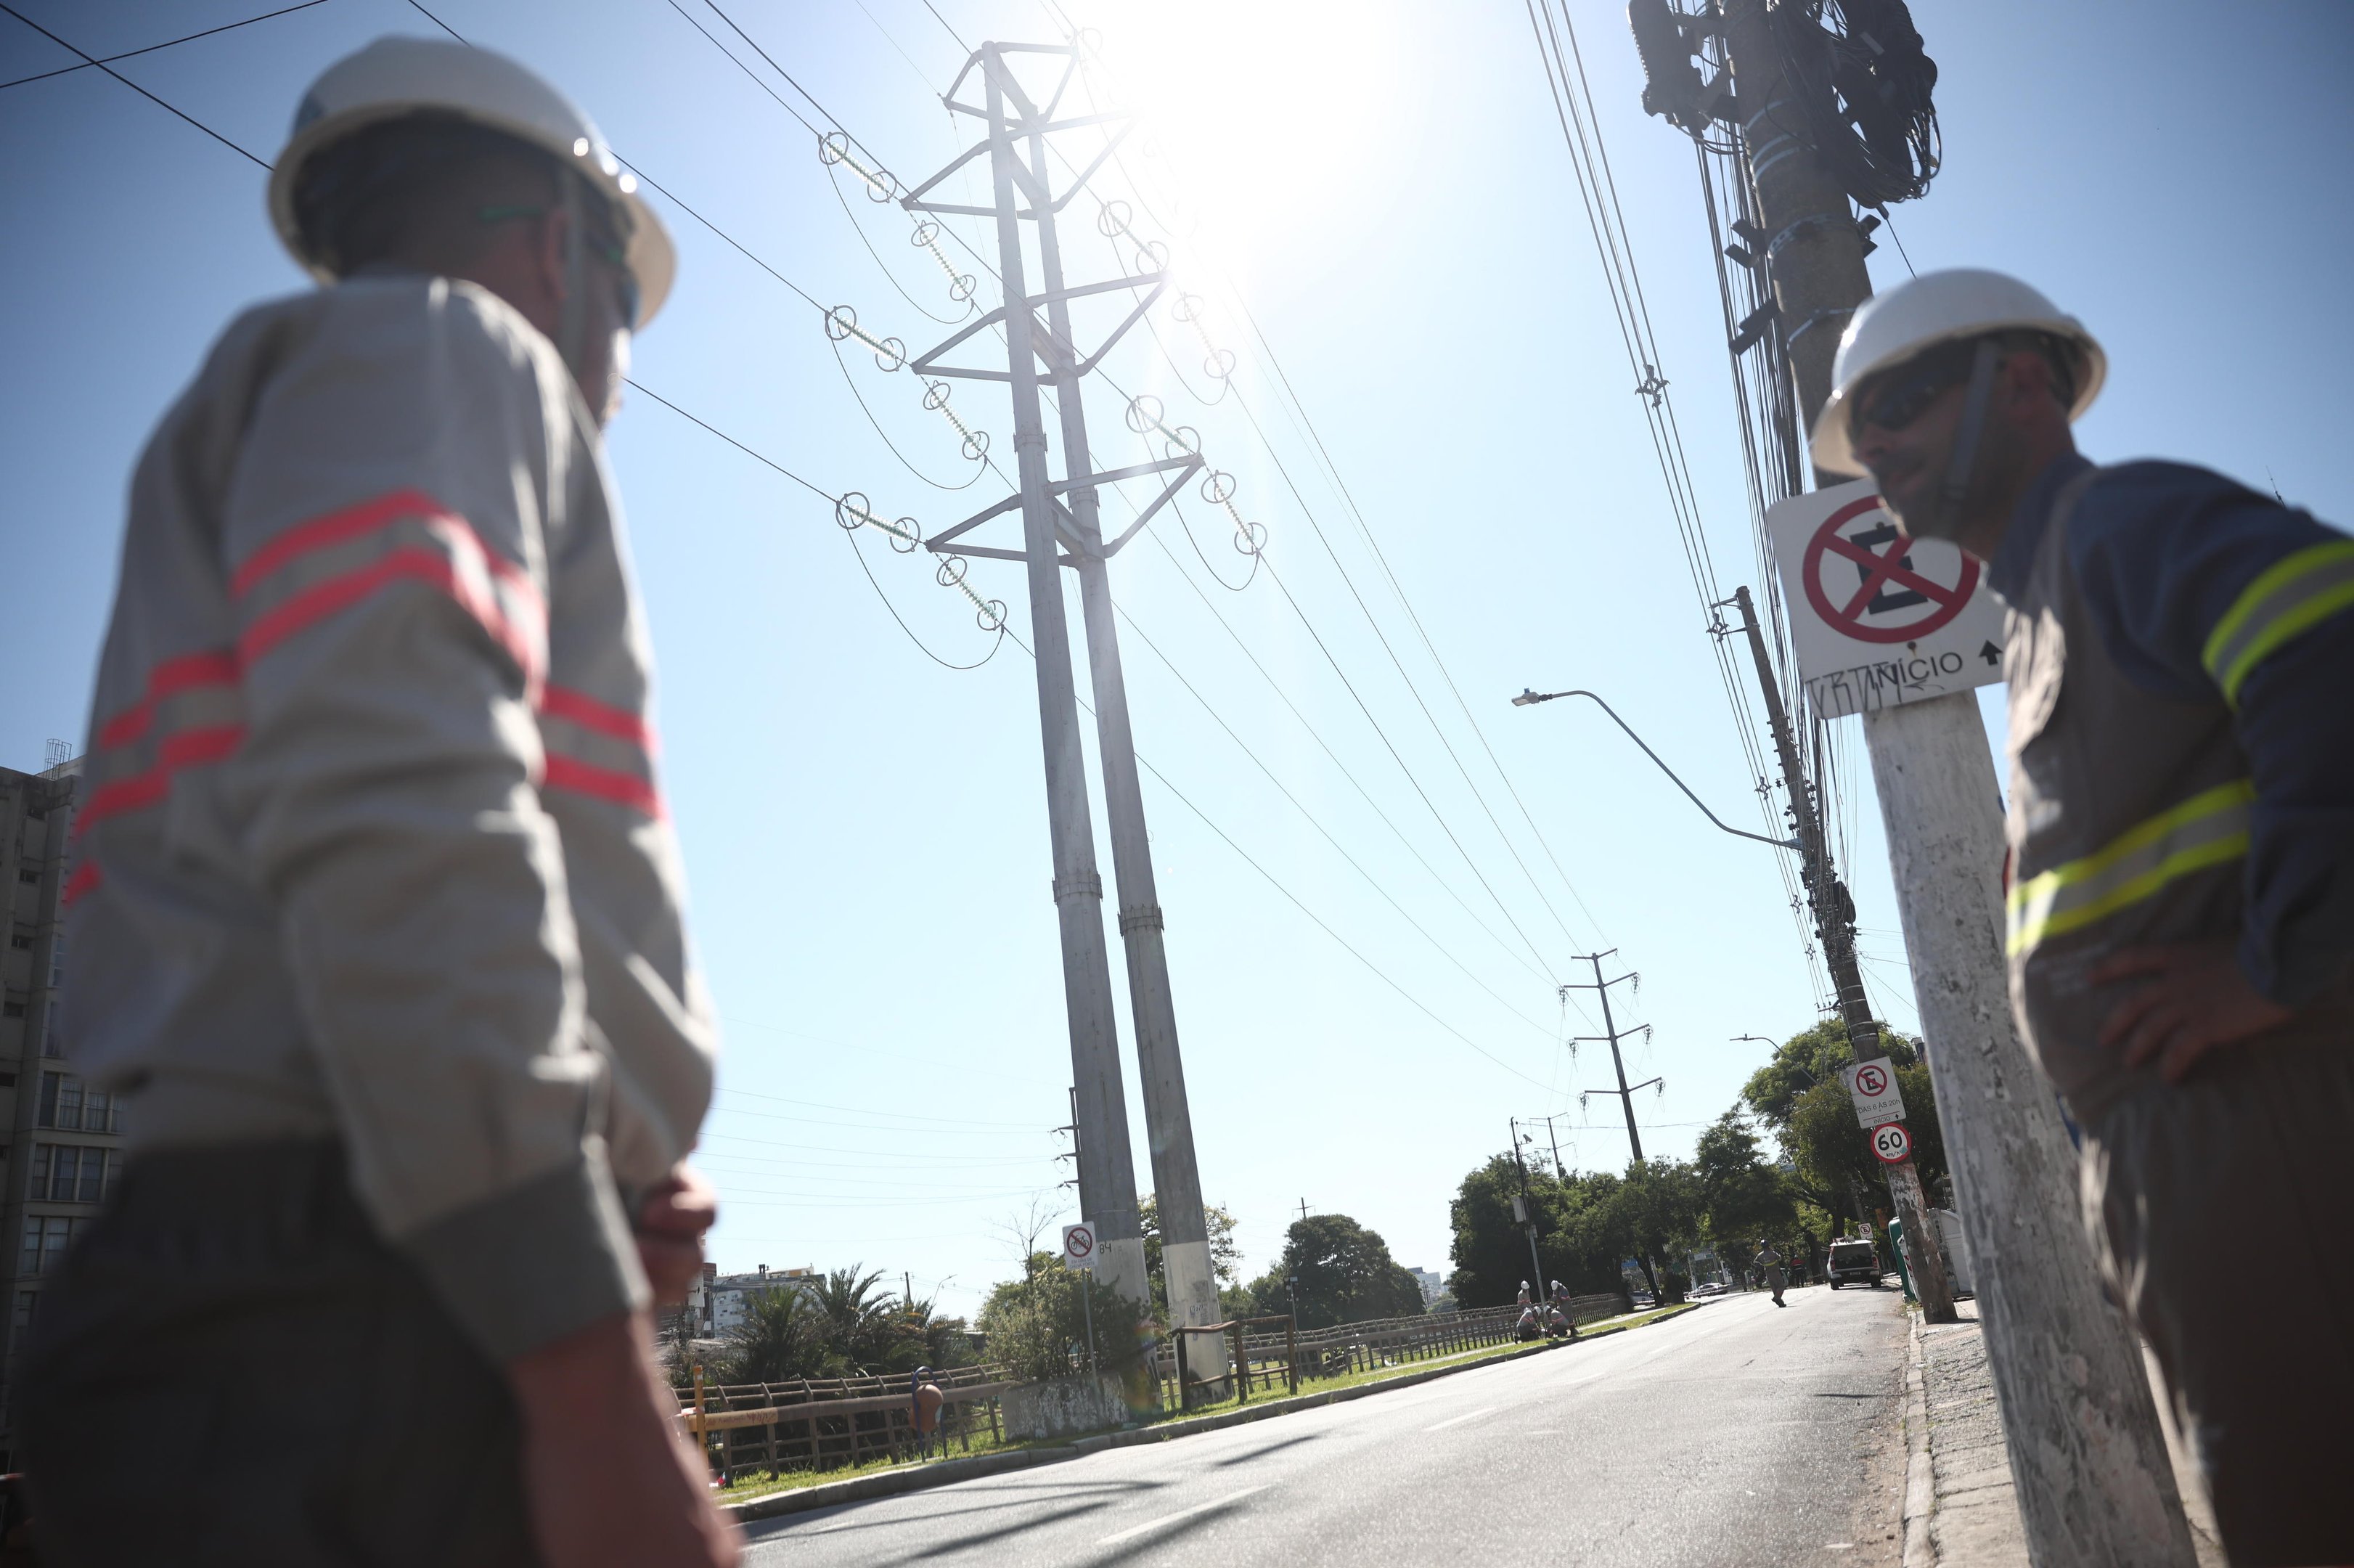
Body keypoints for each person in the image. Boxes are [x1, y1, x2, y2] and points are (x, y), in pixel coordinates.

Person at [20, 36, 736, 1568]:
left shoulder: (267, 411)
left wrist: (604, 1154)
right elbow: (406, 810)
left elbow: (343, 878)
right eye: (626, 308)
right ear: (561, 249)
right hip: (374, 1306)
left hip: (273, 1276)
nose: (618, 359)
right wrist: (587, 1381)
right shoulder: (450, 351)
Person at [1816, 267, 2354, 1568]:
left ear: (2023, 382)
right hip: (2182, 1152)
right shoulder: (2041, 613)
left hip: (2266, 1119)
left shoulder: (2126, 524)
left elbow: (2332, 657)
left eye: (1899, 400)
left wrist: (2272, 969)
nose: (1872, 445)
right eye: (1856, 425)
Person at [910, 1366, 946, 1461]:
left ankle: (940, 1452)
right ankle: (927, 1454)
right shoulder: (935, 1399)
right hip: (928, 1407)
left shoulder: (936, 1400)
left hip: (930, 1407)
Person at [1754, 1241, 1787, 1307]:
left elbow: (1755, 1262)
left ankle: (1781, 1303)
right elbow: (1780, 1258)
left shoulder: (1760, 1255)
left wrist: (1761, 1265)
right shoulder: (1773, 1253)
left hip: (1768, 1274)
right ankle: (1776, 1298)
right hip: (1776, 1272)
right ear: (1768, 1245)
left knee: (1775, 1288)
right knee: (1781, 1286)